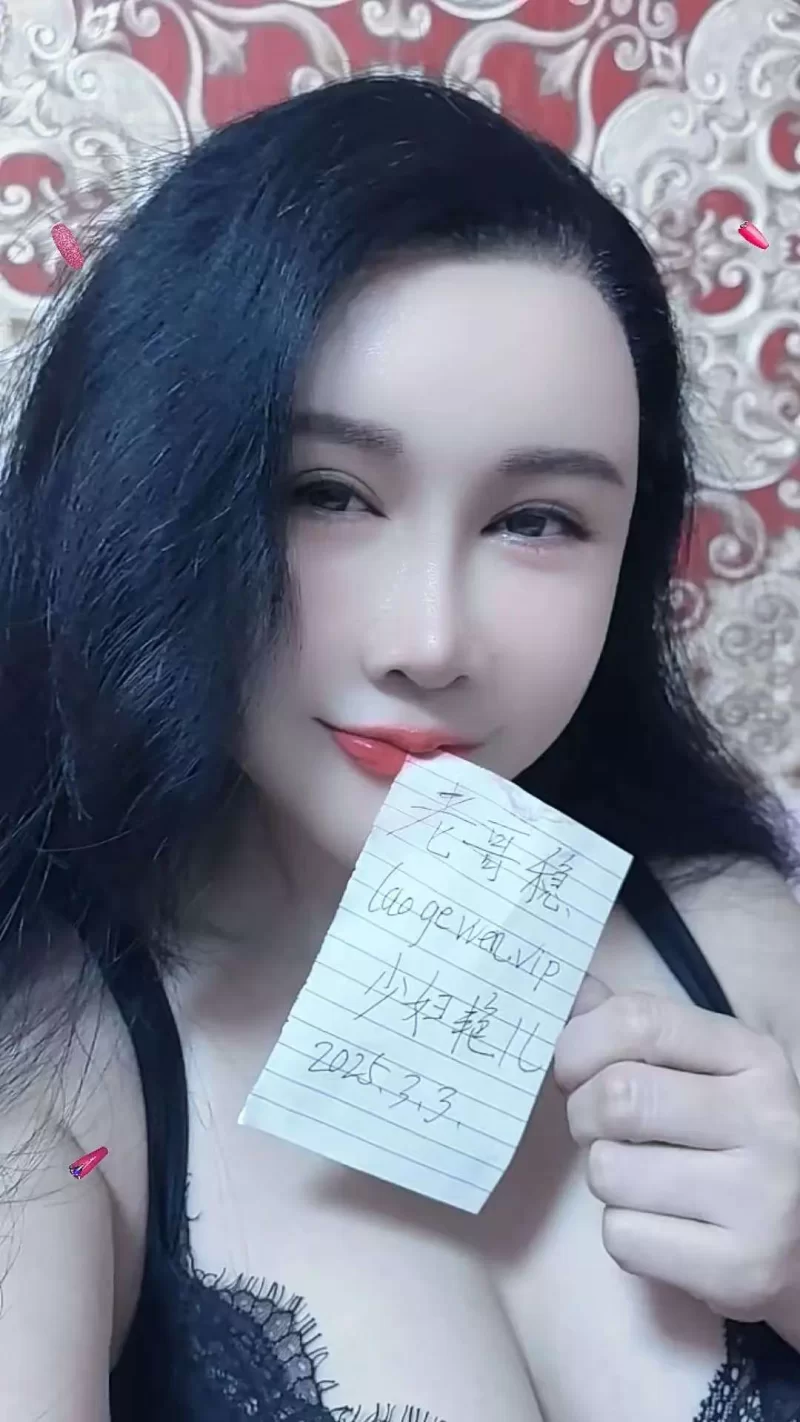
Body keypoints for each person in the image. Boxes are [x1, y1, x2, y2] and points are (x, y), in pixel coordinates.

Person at [0, 69, 799, 1422]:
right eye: (328, 494)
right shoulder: (57, 1090)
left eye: (537, 519)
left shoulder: (739, 942)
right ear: (154, 490)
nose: (430, 641)